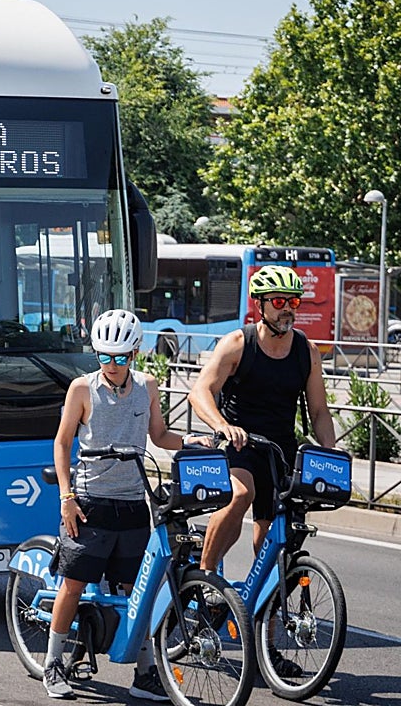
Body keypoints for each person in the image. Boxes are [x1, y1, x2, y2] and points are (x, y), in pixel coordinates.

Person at [43, 309, 212, 701]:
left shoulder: (147, 386)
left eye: (121, 357)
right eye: (105, 356)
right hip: (90, 502)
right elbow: (62, 443)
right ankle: (53, 662)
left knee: (137, 589)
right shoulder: (82, 389)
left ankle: (145, 672)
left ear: (135, 353)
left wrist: (190, 442)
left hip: (136, 502)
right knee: (73, 584)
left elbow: (159, 434)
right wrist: (66, 498)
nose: (113, 365)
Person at [189, 265, 336, 668]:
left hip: (282, 449)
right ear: (260, 305)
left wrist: (332, 451)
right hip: (240, 443)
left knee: (277, 544)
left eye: (293, 301)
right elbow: (200, 391)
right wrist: (222, 425)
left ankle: (265, 646)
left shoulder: (304, 350)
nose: (287, 309)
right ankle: (206, 579)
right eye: (278, 302)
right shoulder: (239, 343)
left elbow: (320, 411)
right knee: (240, 493)